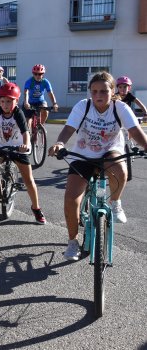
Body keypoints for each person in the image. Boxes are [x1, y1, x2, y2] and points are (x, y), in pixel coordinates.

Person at [48, 71, 147, 261]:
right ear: (90, 92)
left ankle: (115, 203)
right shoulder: (83, 106)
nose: (98, 96)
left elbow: (135, 131)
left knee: (118, 168)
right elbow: (69, 128)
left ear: (112, 91)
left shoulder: (120, 108)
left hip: (110, 151)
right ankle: (72, 242)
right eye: (94, 91)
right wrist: (60, 143)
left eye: (103, 91)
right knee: (71, 199)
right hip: (83, 155)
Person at [0, 82, 46, 224]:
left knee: (28, 179)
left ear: (16, 101)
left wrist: (25, 144)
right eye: (2, 101)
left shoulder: (18, 113)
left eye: (9, 101)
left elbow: (25, 131)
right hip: (0, 148)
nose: (5, 104)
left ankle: (36, 208)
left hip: (18, 148)